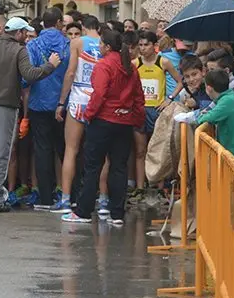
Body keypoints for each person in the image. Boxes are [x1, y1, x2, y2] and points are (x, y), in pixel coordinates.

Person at [0, 17, 60, 212]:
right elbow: (30, 74)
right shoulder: (19, 50)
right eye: (25, 32)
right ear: (18, 33)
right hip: (5, 107)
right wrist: (50, 65)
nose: (26, 36)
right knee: (0, 153)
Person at [62, 30, 144, 225]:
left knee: (92, 167)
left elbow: (98, 94)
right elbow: (138, 97)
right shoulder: (131, 68)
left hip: (103, 121)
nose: (98, 47)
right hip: (124, 123)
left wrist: (89, 114)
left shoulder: (104, 66)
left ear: (107, 47)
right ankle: (116, 213)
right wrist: (136, 119)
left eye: (100, 44)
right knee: (119, 167)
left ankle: (83, 211)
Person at [54, 14, 102, 213]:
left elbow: (71, 72)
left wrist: (61, 102)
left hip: (79, 97)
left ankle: (65, 199)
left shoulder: (77, 43)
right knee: (101, 154)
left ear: (82, 27)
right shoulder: (105, 42)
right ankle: (103, 199)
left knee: (71, 150)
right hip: (98, 98)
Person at [25, 8, 71, 210]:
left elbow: (27, 74)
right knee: (66, 150)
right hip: (63, 104)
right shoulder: (68, 45)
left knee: (42, 150)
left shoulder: (33, 45)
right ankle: (70, 194)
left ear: (43, 24)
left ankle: (45, 197)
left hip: (39, 102)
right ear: (60, 23)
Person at [133, 30, 181, 191]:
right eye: (140, 45)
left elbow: (180, 81)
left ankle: (159, 187)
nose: (143, 48)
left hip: (157, 110)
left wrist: (170, 99)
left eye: (146, 45)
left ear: (155, 46)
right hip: (140, 110)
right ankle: (140, 187)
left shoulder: (163, 62)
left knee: (157, 150)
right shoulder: (135, 63)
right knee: (140, 151)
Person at [191, 69, 234, 165]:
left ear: (209, 88)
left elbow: (204, 118)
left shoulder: (227, 101)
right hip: (233, 152)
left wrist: (202, 115)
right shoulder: (228, 97)